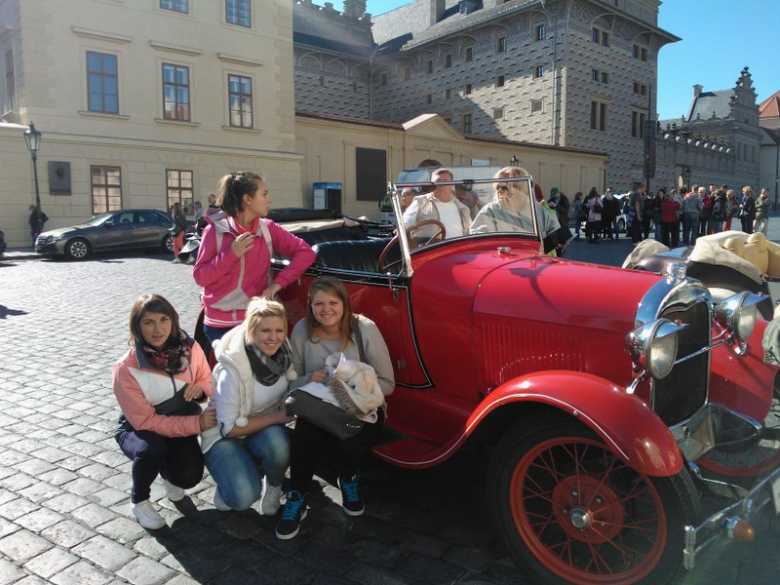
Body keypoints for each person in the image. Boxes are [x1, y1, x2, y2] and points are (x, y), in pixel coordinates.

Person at [276, 277, 395, 540]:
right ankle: (297, 495)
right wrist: (311, 379)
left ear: (345, 303)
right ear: (310, 306)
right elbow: (291, 381)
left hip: (362, 407)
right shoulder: (301, 331)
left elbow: (388, 383)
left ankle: (349, 477)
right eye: (319, 303)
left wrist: (351, 388)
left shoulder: (364, 329)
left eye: (333, 302)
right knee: (306, 432)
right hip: (318, 408)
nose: (326, 309)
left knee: (344, 440)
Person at [112, 293, 216, 529]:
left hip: (178, 422)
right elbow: (146, 421)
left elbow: (207, 380)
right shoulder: (125, 368)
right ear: (137, 327)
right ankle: (139, 501)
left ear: (173, 321)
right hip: (139, 428)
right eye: (148, 322)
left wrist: (199, 390)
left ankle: (168, 473)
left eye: (163, 319)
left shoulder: (190, 348)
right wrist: (196, 425)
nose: (158, 329)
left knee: (188, 478)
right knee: (152, 450)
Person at [193, 171, 315, 345]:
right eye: (264, 194)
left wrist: (278, 284)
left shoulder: (268, 228)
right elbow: (201, 277)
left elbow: (305, 253)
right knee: (237, 371)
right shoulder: (214, 231)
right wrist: (231, 254)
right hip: (220, 324)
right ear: (247, 199)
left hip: (256, 320)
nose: (269, 199)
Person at [201, 298, 296, 514]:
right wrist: (277, 418)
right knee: (242, 498)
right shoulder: (233, 369)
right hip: (224, 437)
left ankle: (273, 485)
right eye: (265, 331)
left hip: (262, 431)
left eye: (279, 330)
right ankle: (228, 477)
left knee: (281, 443)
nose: (274, 338)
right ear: (251, 331)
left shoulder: (285, 356)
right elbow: (228, 428)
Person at [470, 167, 561, 252]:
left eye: (505, 185)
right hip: (507, 265)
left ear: (520, 188)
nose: (500, 190)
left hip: (535, 263)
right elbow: (476, 241)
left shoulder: (536, 209)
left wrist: (554, 243)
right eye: (498, 186)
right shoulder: (490, 211)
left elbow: (555, 232)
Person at [402, 167, 471, 239]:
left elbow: (471, 230)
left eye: (445, 181)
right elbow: (405, 225)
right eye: (437, 182)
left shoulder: (462, 207)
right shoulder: (419, 202)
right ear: (432, 185)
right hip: (432, 248)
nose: (441, 185)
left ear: (451, 184)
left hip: (457, 248)